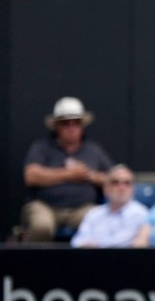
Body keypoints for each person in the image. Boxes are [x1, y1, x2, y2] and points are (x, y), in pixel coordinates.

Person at [21, 97, 112, 243]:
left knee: (99, 223)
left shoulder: (94, 150)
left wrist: (89, 175)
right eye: (65, 123)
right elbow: (31, 176)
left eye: (76, 123)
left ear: (82, 126)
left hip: (82, 208)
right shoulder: (41, 147)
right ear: (56, 126)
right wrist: (68, 174)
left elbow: (111, 178)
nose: (71, 128)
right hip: (45, 206)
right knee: (41, 226)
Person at [70, 165, 149, 248]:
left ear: (133, 189)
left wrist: (97, 245)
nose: (121, 187)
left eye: (126, 183)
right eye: (115, 182)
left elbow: (126, 244)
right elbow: (77, 241)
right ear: (105, 188)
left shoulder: (141, 214)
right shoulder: (94, 213)